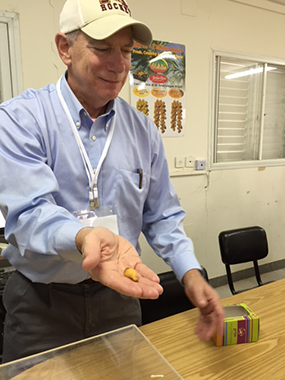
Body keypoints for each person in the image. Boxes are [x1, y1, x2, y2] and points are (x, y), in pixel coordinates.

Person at [0, 0, 224, 363]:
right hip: (42, 304)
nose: (119, 64)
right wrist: (83, 236)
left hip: (121, 294)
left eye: (126, 50)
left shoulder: (143, 131)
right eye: (102, 48)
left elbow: (162, 214)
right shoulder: (21, 119)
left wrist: (190, 273)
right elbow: (29, 212)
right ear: (64, 48)